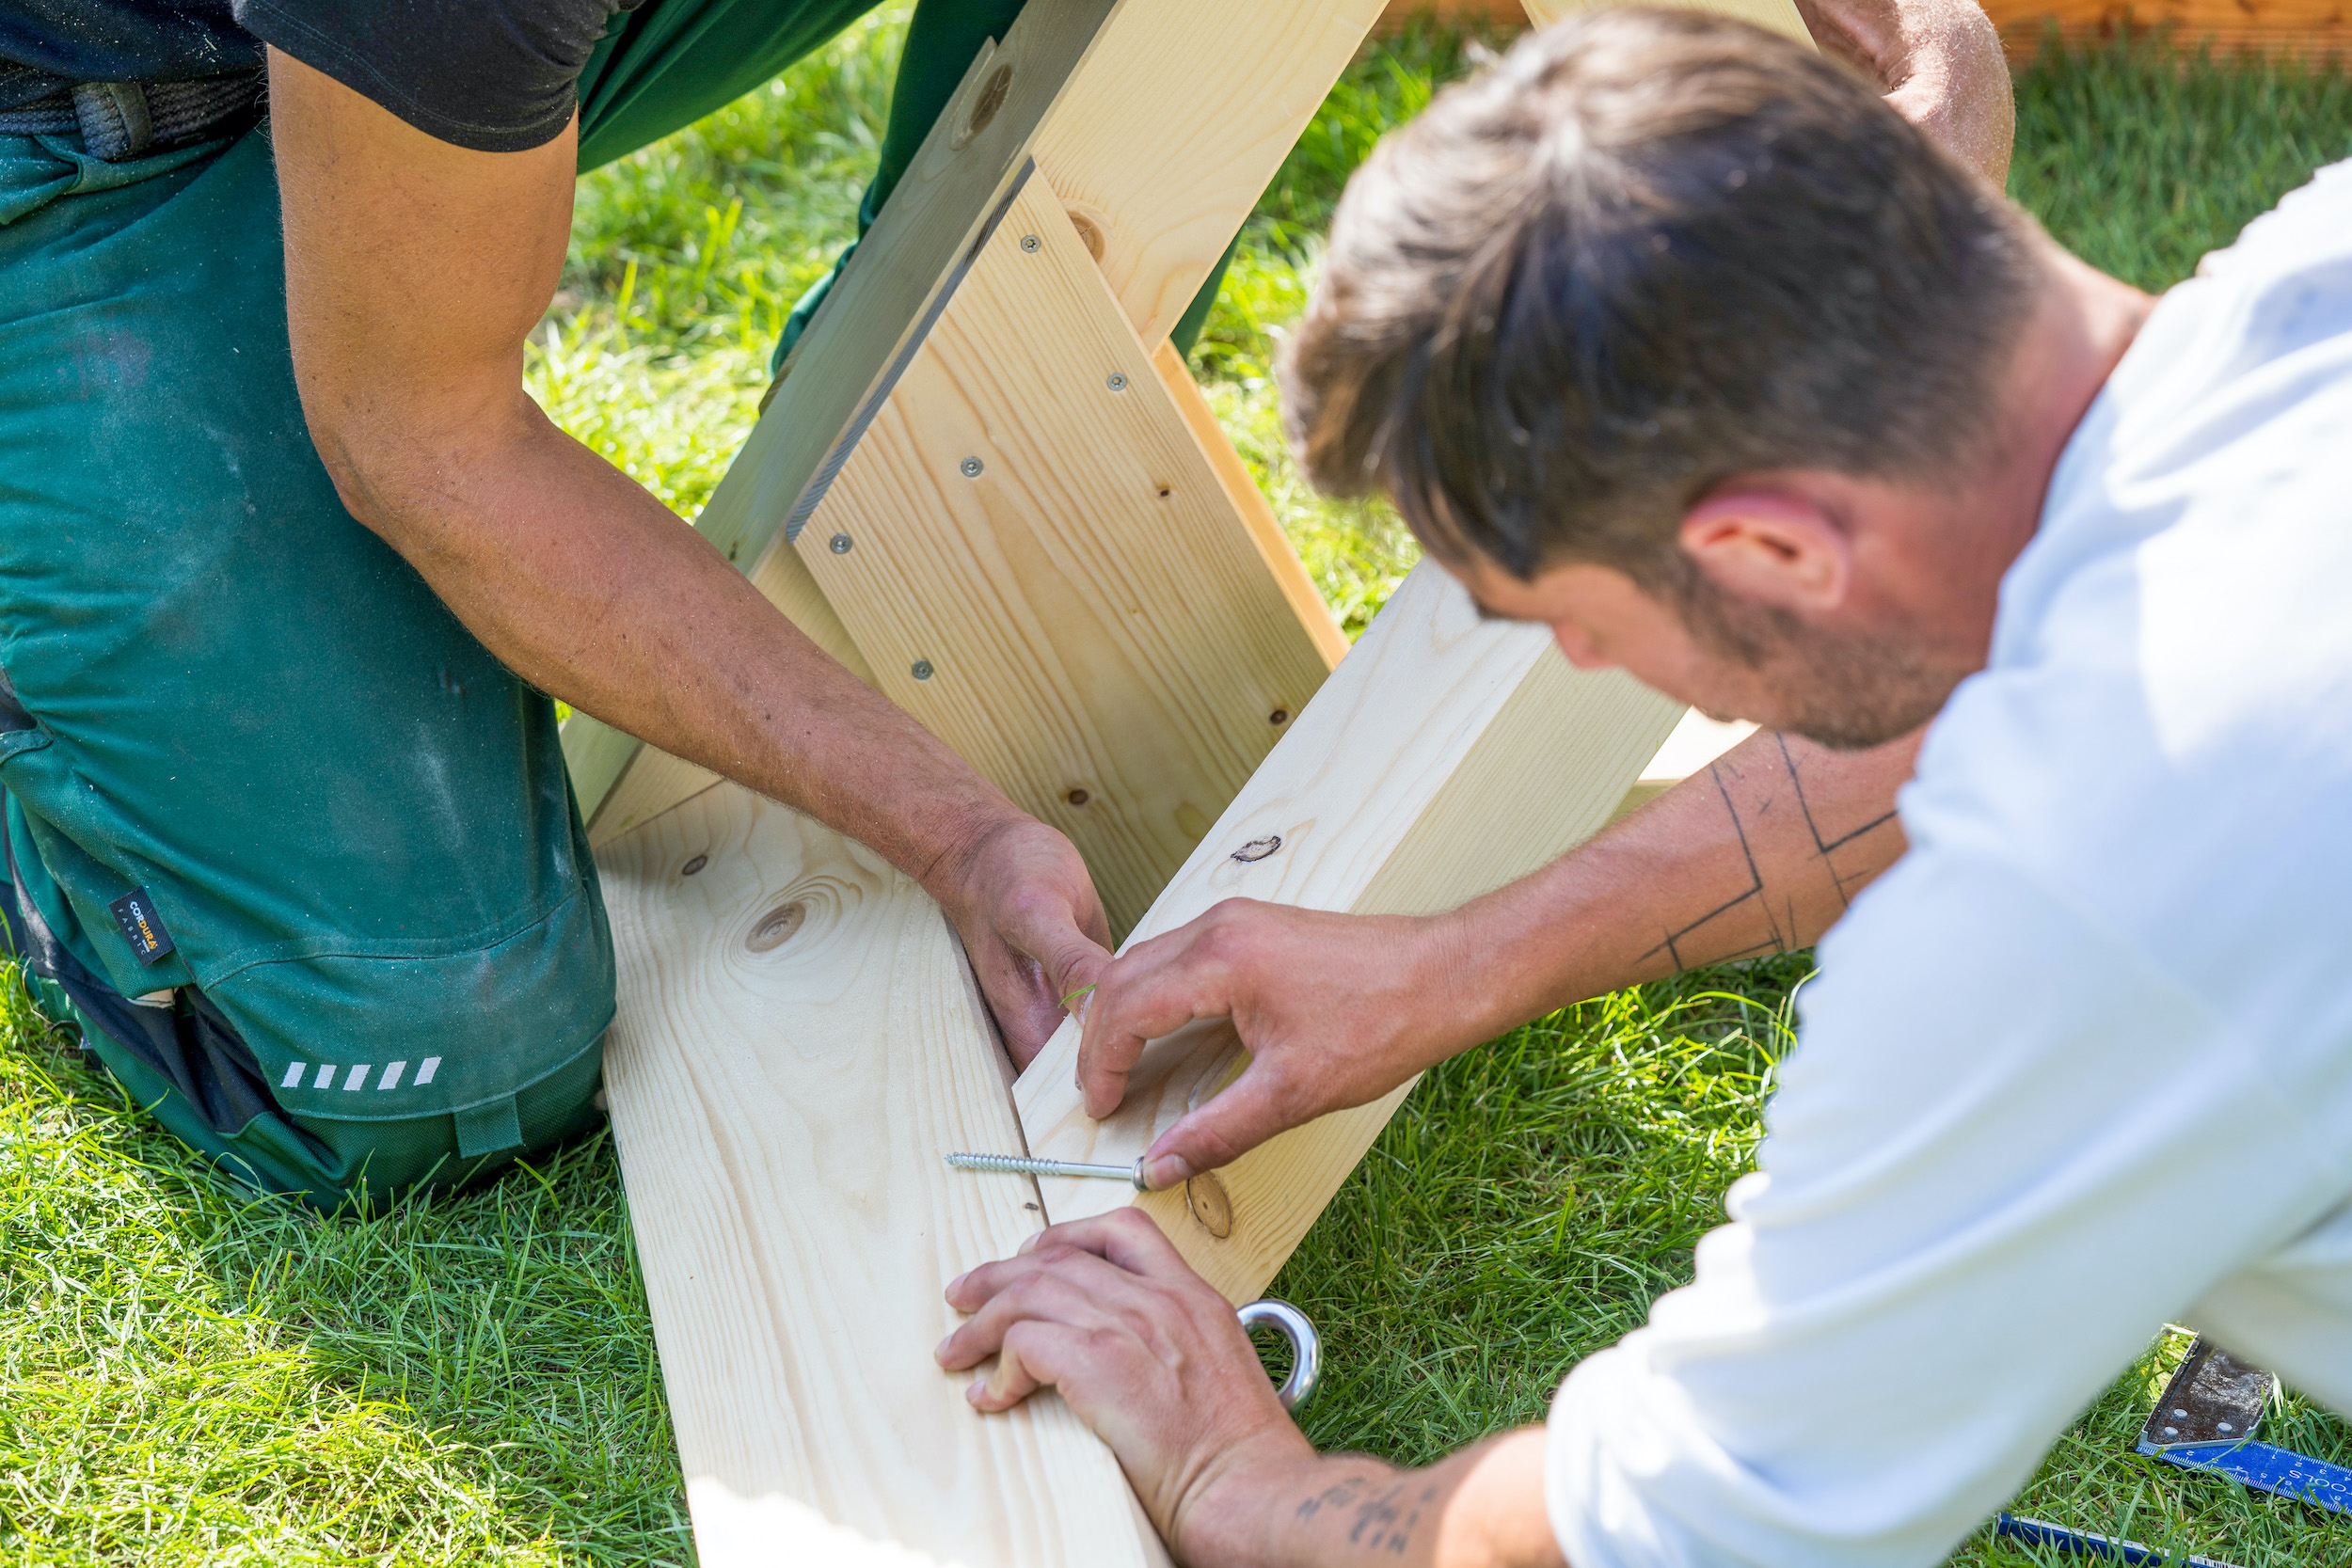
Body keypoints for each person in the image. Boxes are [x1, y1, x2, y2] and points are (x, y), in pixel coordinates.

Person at [0, 0, 2002, 1208]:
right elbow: (421, 437)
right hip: (76, 131)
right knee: (439, 1054)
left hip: (393, 61)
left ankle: (911, 404)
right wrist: (945, 818)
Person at [935, 9, 2352, 1566]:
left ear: (1769, 553)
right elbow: (2023, 724)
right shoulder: (2312, 273)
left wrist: (1231, 1478)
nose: (1614, 680)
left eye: (1593, 629)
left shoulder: (2066, 924)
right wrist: (1457, 963)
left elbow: (1683, 1530)